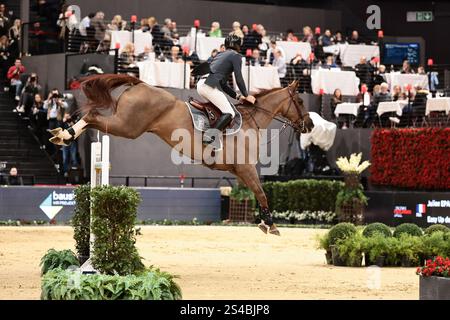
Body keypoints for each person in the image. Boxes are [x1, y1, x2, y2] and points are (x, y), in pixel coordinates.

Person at [196, 34, 256, 145]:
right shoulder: (236, 56)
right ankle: (209, 136)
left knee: (221, 110)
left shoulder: (220, 54)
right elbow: (239, 78)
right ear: (238, 46)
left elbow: (223, 85)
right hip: (209, 86)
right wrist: (246, 95)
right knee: (229, 112)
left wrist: (238, 96)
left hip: (201, 84)